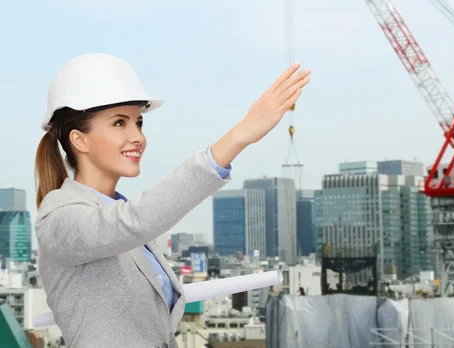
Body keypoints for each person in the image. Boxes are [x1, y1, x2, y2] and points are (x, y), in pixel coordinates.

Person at [34, 53, 310, 348]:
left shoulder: (125, 221)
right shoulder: (59, 217)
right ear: (80, 140)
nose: (137, 136)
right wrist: (239, 136)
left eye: (138, 123)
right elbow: (135, 220)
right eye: (119, 123)